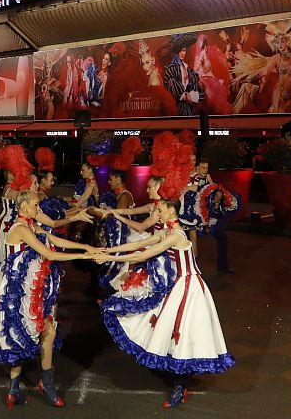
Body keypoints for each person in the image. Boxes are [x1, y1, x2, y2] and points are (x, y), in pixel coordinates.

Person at [94, 132, 234, 408]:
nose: (160, 215)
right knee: (168, 329)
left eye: (164, 213)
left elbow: (146, 251)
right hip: (175, 282)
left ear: (172, 212)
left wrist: (109, 254)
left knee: (180, 331)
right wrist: (106, 253)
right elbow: (144, 241)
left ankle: (178, 387)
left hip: (188, 286)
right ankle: (179, 383)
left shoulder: (176, 234)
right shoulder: (168, 229)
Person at [0, 186, 97, 407]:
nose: (39, 208)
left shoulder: (29, 224)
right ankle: (44, 386)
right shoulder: (21, 228)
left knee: (28, 336)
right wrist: (84, 255)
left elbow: (54, 239)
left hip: (27, 290)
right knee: (37, 334)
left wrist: (86, 247)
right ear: (24, 206)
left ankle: (15, 391)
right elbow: (49, 253)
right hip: (17, 294)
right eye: (35, 205)